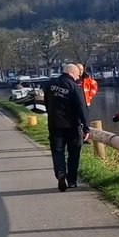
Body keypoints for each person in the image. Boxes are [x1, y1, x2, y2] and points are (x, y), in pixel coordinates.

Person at [43, 63, 91, 192]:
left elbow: (46, 103)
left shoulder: (50, 84)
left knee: (57, 151)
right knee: (74, 153)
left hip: (55, 125)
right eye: (76, 75)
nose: (77, 77)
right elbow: (82, 108)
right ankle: (72, 181)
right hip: (72, 126)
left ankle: (60, 172)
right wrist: (86, 127)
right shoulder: (75, 87)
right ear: (71, 73)